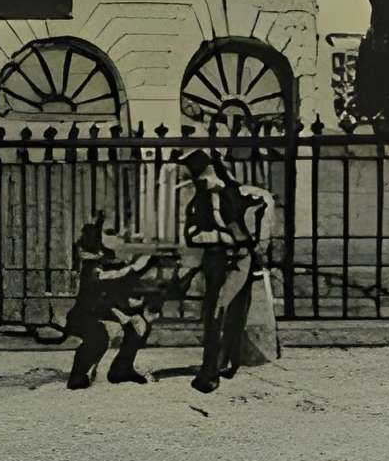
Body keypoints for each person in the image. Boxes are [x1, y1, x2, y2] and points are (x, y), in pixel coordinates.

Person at [181, 153, 277, 392]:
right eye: (200, 178)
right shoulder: (200, 201)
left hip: (238, 258)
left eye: (205, 175)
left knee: (227, 309)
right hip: (218, 258)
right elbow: (191, 233)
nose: (203, 181)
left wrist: (259, 243)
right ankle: (218, 365)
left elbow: (263, 204)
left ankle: (214, 369)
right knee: (221, 308)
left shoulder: (237, 194)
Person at [64, 218, 161, 389]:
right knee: (97, 337)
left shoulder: (108, 257)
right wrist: (135, 267)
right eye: (111, 233)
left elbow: (122, 283)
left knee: (139, 325)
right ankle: (78, 376)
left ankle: (122, 369)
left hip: (106, 308)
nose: (119, 237)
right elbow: (109, 279)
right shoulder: (90, 261)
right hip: (88, 311)